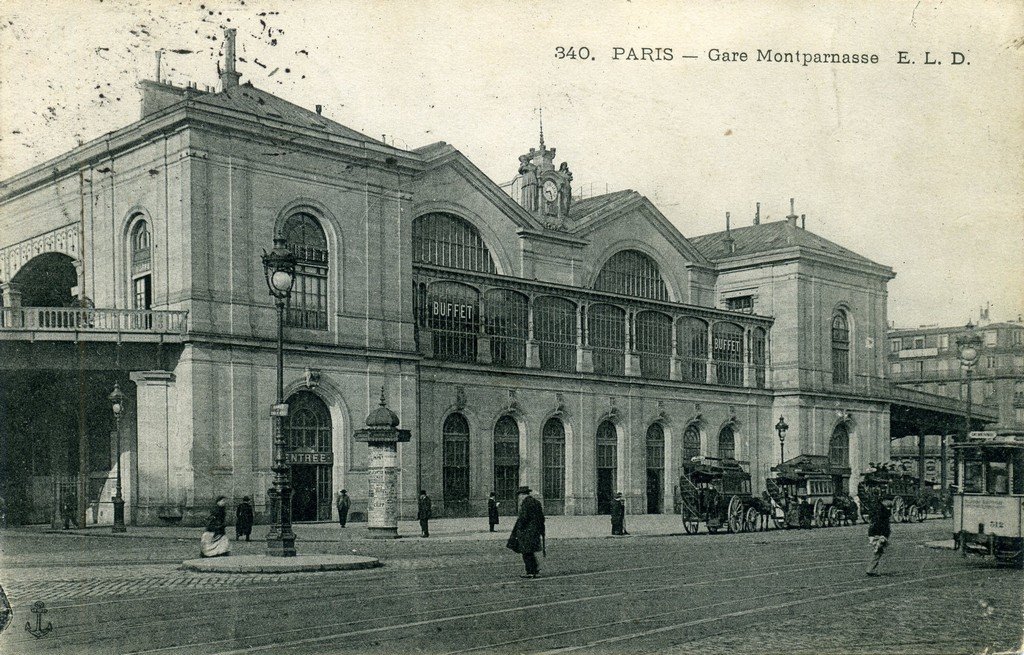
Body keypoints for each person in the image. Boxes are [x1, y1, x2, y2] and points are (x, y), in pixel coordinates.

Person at [507, 486, 545, 578]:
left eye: (519, 495)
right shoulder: (537, 502)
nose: (519, 497)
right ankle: (535, 570)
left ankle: (530, 572)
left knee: (526, 552)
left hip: (526, 532)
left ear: (522, 495)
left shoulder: (526, 503)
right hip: (535, 531)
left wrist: (518, 531)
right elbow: (541, 518)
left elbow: (523, 518)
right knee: (530, 551)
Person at [866, 497, 892, 576]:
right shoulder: (884, 512)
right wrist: (884, 535)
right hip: (880, 534)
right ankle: (870, 569)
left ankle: (872, 569)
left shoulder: (876, 508)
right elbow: (885, 525)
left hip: (873, 532)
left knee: (878, 551)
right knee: (878, 551)